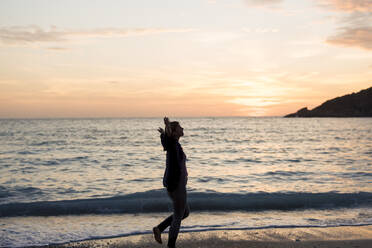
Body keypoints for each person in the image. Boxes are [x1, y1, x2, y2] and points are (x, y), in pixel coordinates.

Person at [153, 117, 190, 248]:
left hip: (178, 185)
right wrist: (167, 128)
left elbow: (167, 139)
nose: (183, 128)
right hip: (176, 186)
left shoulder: (175, 145)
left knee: (184, 212)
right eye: (180, 127)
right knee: (179, 216)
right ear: (174, 132)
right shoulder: (172, 144)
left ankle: (159, 228)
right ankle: (171, 245)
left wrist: (165, 131)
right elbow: (168, 140)